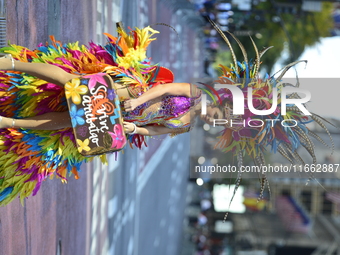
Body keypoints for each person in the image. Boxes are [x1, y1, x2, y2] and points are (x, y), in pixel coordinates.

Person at [0, 23, 224, 205]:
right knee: (75, 84)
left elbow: (156, 130)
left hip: (124, 119)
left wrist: (135, 129)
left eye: (215, 123)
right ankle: (11, 64)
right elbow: (163, 88)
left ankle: (9, 122)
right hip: (130, 93)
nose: (211, 120)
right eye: (216, 116)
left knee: (71, 121)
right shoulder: (195, 92)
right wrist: (137, 99)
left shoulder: (186, 126)